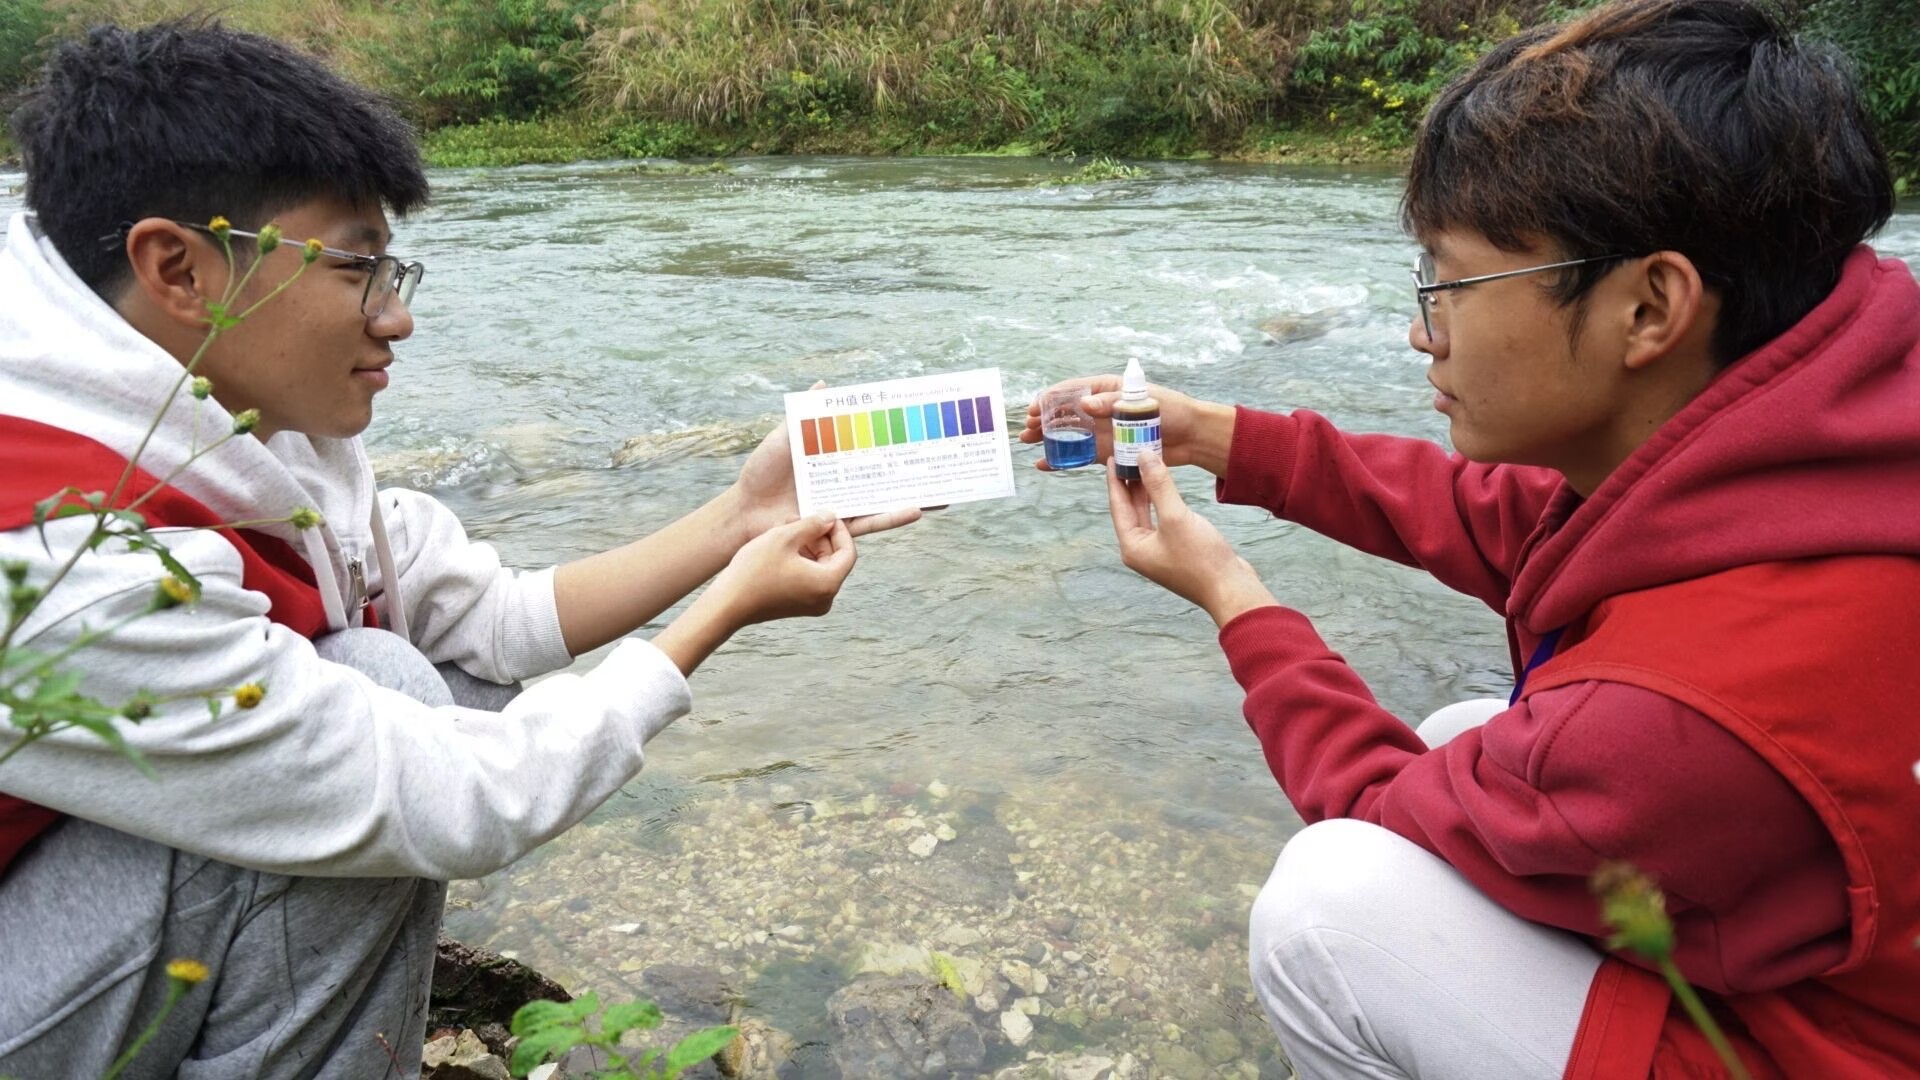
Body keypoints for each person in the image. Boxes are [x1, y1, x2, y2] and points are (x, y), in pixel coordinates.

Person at [0, 21, 919, 1077]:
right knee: (386, 722)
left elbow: (488, 624)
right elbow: (459, 803)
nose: (396, 319)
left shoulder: (230, 421)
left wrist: (739, 520)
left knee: (414, 678)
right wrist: (720, 617)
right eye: (359, 269)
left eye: (395, 271)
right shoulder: (66, 559)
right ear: (179, 267)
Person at [1022, 0, 1918, 1076]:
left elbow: (1376, 810)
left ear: (1650, 307)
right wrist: (1213, 434)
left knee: (1328, 907)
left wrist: (1235, 598)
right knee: (1464, 729)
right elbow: (1509, 518)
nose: (1421, 330)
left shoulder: (1677, 718)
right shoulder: (1824, 429)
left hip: (1833, 1049)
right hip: (1820, 956)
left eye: (1450, 282)